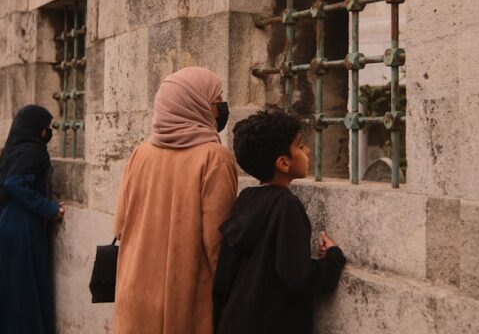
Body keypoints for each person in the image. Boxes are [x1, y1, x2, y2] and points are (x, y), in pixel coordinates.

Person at [113, 66, 238, 334]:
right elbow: (217, 244)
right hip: (182, 298)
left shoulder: (140, 154)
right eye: (216, 102)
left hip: (134, 291)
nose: (220, 109)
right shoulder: (215, 158)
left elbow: (120, 226)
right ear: (198, 105)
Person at [213, 110, 346, 334]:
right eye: (300, 146)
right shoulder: (287, 206)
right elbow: (298, 277)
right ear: (284, 163)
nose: (307, 150)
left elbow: (225, 273)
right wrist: (332, 260)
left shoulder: (246, 199)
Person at [0, 105, 65, 334]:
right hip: (22, 224)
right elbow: (16, 184)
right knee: (25, 285)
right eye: (45, 128)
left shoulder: (14, 149)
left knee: (11, 287)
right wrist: (49, 208)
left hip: (8, 222)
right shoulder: (33, 150)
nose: (47, 132)